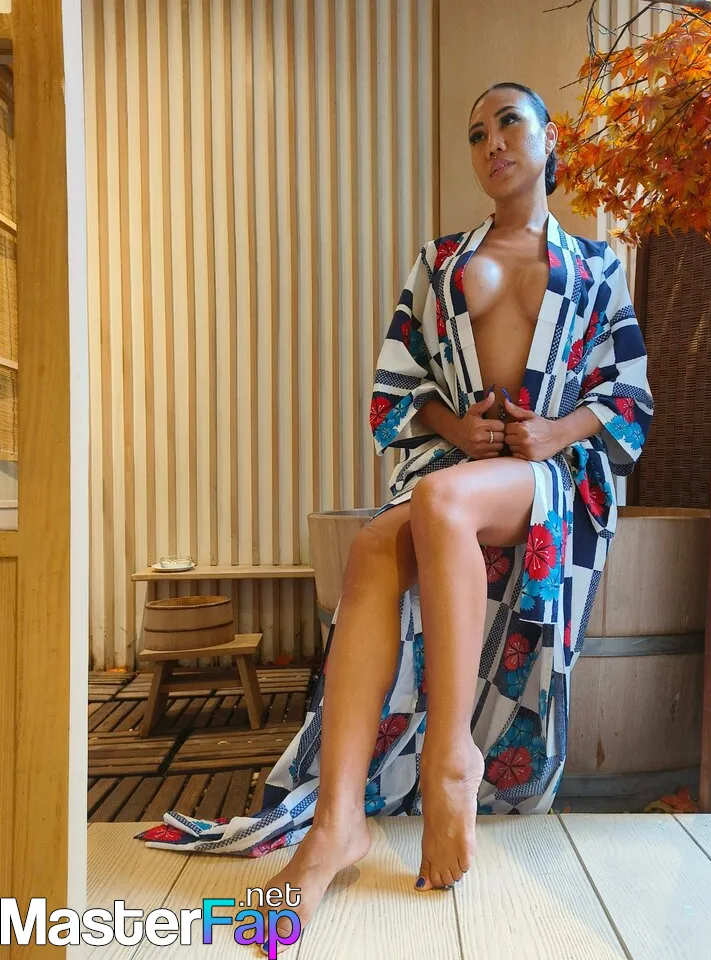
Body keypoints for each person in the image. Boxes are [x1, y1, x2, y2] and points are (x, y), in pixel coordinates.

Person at [138, 81, 654, 951]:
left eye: (509, 123)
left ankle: (452, 758)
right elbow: (394, 387)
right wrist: (457, 428)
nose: (492, 142)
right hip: (454, 465)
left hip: (549, 476)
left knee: (439, 501)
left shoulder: (598, 266)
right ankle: (336, 825)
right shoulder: (440, 262)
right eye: (476, 133)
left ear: (550, 139)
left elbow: (629, 398)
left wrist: (553, 430)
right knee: (379, 544)